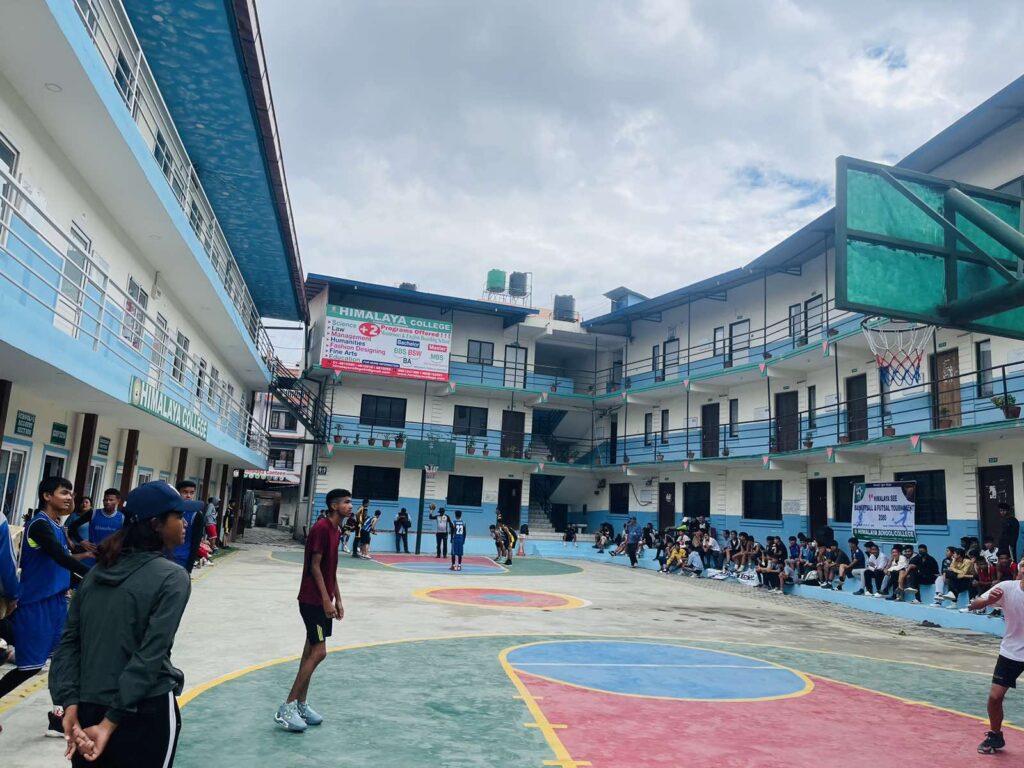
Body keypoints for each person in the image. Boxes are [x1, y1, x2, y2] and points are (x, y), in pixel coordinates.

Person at [49, 480, 197, 766]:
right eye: (178, 516)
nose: (185, 523)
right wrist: (109, 723)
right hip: (144, 710)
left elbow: (68, 642)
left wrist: (69, 705)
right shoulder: (173, 578)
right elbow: (150, 655)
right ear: (156, 524)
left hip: (87, 708)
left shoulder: (96, 573)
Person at [0, 477, 91, 736]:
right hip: (35, 605)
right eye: (63, 492)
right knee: (30, 667)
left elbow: (61, 564)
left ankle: (57, 718)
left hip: (57, 603)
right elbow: (60, 557)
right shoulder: (40, 525)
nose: (69, 497)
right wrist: (94, 575)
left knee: (62, 660)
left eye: (71, 493)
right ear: (47, 496)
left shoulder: (58, 526)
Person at [276, 489, 352, 732]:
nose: (350, 506)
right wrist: (326, 601)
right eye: (346, 502)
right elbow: (315, 567)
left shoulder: (336, 530)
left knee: (310, 650)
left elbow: (331, 570)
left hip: (324, 600)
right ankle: (287, 707)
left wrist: (338, 599)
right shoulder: (321, 528)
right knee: (319, 652)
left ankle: (300, 704)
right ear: (334, 505)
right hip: (312, 600)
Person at [967, 565, 1024, 754]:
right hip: (1012, 651)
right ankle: (995, 735)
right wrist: (988, 601)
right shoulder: (1007, 588)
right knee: (995, 697)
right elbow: (973, 605)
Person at [83, 489, 124, 568]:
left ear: (118, 501)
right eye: (105, 500)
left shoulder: (122, 518)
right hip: (91, 556)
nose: (108, 502)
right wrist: (81, 541)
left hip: (110, 559)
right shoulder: (93, 513)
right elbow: (72, 527)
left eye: (111, 500)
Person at [170, 481, 203, 573]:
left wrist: (190, 565)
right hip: (166, 557)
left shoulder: (196, 514)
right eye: (185, 492)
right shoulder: (170, 511)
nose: (188, 496)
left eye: (191, 493)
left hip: (184, 559)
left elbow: (196, 542)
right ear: (178, 493)